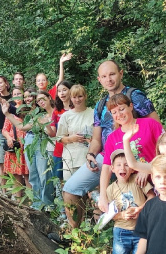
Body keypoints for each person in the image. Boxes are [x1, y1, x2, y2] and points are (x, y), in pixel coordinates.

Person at [62, 60, 158, 228]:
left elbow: (157, 133)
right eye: (104, 76)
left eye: (112, 74)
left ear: (121, 73)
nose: (109, 79)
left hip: (139, 157)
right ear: (99, 80)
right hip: (109, 156)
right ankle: (76, 235)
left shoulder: (134, 96)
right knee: (71, 188)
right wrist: (91, 153)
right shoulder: (101, 105)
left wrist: (147, 165)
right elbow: (97, 139)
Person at [96, 94, 162, 215]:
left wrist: (147, 168)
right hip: (133, 190)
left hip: (159, 181)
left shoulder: (150, 124)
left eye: (121, 109)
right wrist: (103, 196)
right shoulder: (112, 138)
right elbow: (106, 167)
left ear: (131, 107)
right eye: (114, 112)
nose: (119, 114)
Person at [104, 150, 152, 254]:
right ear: (112, 169)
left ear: (132, 168)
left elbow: (152, 197)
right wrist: (122, 215)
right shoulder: (110, 189)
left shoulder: (138, 179)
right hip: (121, 231)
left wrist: (140, 209)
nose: (122, 168)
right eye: (118, 165)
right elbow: (111, 214)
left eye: (126, 165)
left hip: (140, 231)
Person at [56, 84, 94, 181]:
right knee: (70, 190)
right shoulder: (66, 116)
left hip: (89, 158)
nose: (77, 100)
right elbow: (59, 138)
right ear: (71, 98)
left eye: (80, 96)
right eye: (74, 97)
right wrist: (70, 138)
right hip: (71, 159)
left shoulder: (93, 113)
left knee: (91, 191)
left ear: (85, 96)